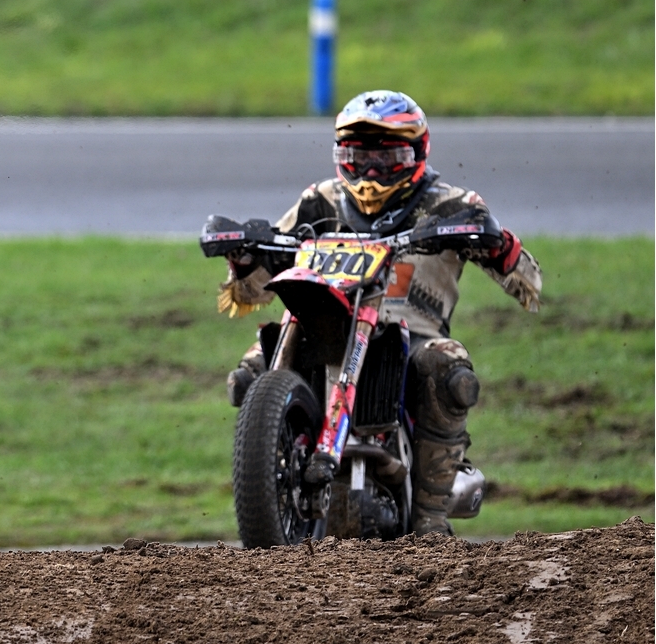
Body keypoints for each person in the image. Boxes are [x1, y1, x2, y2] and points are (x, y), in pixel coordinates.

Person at [217, 89, 542, 535]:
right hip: (324, 322)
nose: (370, 171)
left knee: (448, 369)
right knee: (248, 372)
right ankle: (273, 487)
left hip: (413, 335)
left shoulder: (452, 205)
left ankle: (430, 520)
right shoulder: (320, 201)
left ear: (416, 154)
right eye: (358, 157)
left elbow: (529, 283)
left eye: (385, 159)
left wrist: (499, 245)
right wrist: (245, 261)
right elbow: (254, 290)